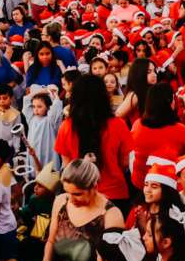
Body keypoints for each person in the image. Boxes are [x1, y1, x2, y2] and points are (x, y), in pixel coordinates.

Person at [55, 75, 135, 212]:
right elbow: (124, 164)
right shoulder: (119, 125)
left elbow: (68, 167)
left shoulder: (67, 127)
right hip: (114, 194)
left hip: (79, 194)